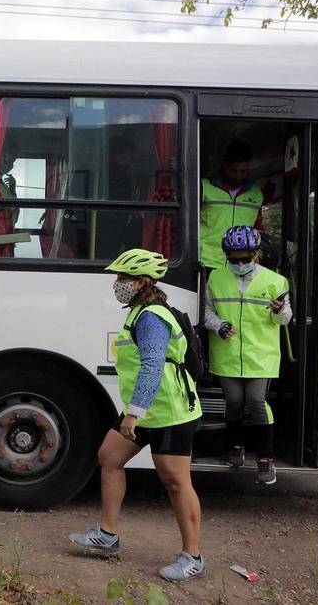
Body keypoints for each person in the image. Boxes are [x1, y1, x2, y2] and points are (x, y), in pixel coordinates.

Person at [71, 248, 205, 583]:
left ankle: (193, 557)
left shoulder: (151, 318)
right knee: (110, 457)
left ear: (141, 282)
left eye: (123, 278)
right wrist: (135, 411)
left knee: (176, 482)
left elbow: (152, 367)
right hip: (144, 408)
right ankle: (108, 535)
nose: (117, 283)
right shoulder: (139, 312)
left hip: (169, 411)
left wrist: (133, 415)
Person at [203, 226, 291, 485]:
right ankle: (236, 448)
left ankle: (266, 459)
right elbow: (206, 311)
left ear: (256, 254)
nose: (239, 264)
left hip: (260, 356)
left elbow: (285, 319)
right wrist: (218, 325)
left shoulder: (276, 281)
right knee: (233, 402)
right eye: (233, 259)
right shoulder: (216, 278)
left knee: (256, 402)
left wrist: (278, 310)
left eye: (245, 258)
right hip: (227, 354)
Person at [200, 141, 264, 270]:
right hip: (207, 263)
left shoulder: (256, 193)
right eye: (233, 171)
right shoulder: (204, 187)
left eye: (243, 171)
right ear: (224, 165)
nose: (239, 176)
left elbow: (258, 228)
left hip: (242, 264)